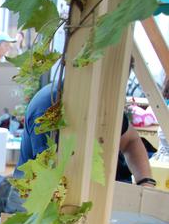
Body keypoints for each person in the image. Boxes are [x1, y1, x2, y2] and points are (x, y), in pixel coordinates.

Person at [13, 84, 156, 195]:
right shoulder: (48, 108)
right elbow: (53, 177)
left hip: (86, 194)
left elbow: (130, 141)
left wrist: (146, 184)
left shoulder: (104, 103)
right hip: (35, 197)